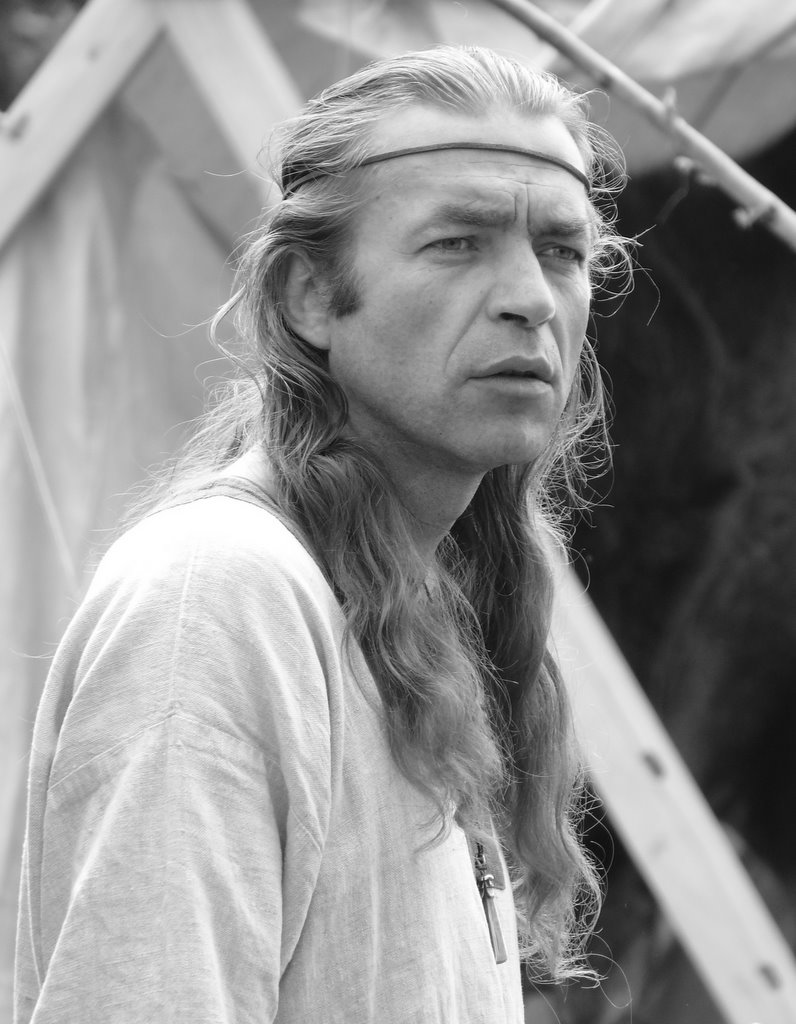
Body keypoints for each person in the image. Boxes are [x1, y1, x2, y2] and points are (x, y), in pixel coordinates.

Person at [14, 45, 628, 1024]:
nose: (529, 297)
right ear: (309, 296)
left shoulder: (425, 608)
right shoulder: (220, 594)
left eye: (561, 251)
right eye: (457, 242)